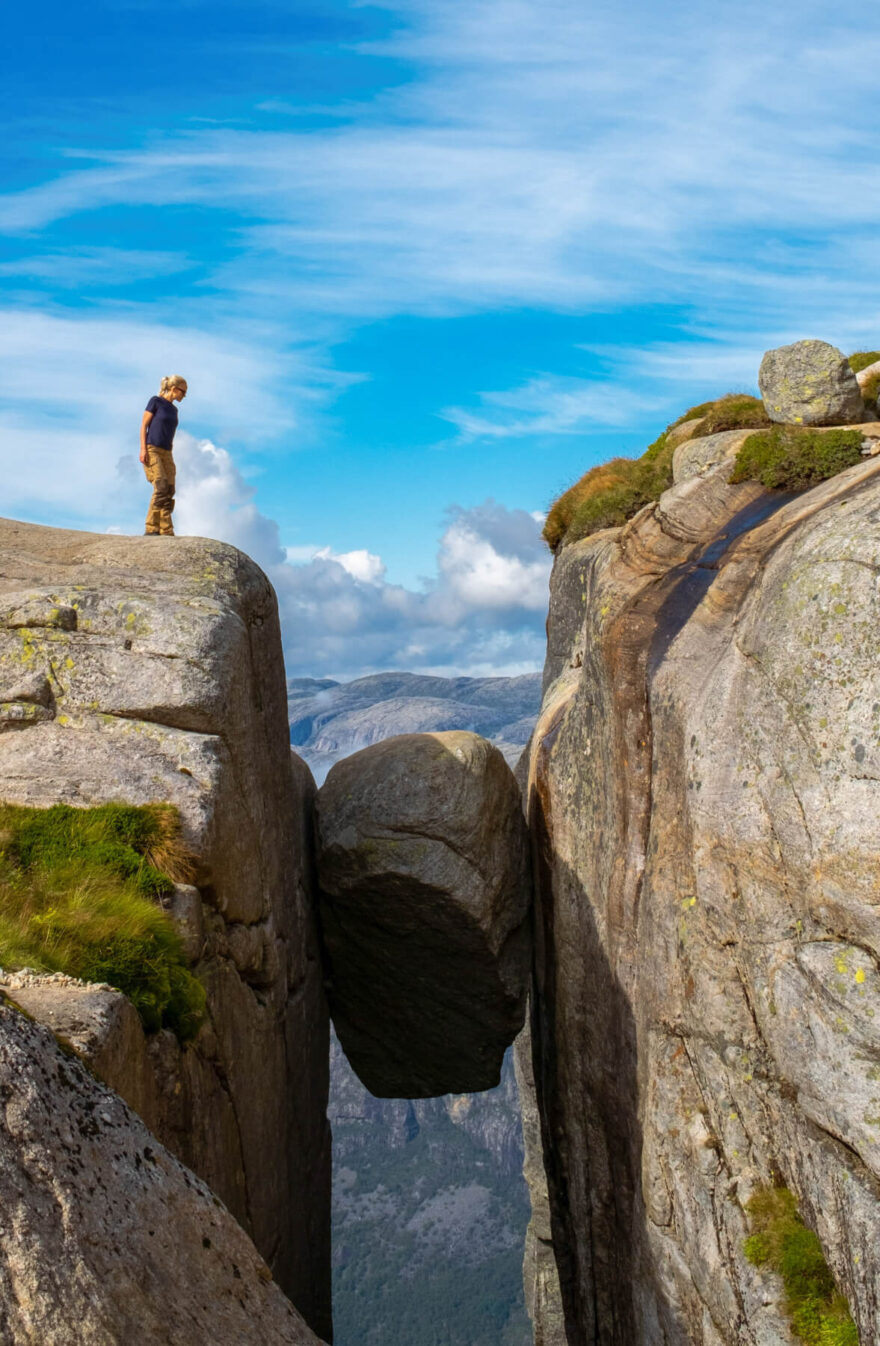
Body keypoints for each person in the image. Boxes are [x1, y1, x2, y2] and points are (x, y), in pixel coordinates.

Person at [140, 375, 187, 536]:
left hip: (167, 452)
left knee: (169, 489)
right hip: (152, 448)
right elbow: (144, 425)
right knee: (160, 487)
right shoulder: (155, 401)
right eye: (183, 392)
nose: (184, 396)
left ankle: (166, 529)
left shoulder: (174, 409)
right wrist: (143, 449)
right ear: (174, 389)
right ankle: (151, 527)